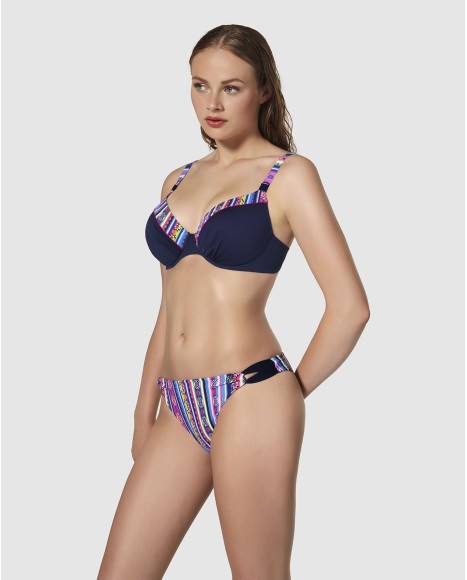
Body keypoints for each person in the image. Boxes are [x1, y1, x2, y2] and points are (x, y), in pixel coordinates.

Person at [97, 23, 370, 580]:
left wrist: (287, 393)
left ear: (264, 90)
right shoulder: (177, 180)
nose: (212, 104)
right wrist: (143, 410)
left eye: (231, 88)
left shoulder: (288, 176)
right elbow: (168, 309)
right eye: (200, 86)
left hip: (251, 394)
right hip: (178, 406)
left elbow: (350, 307)